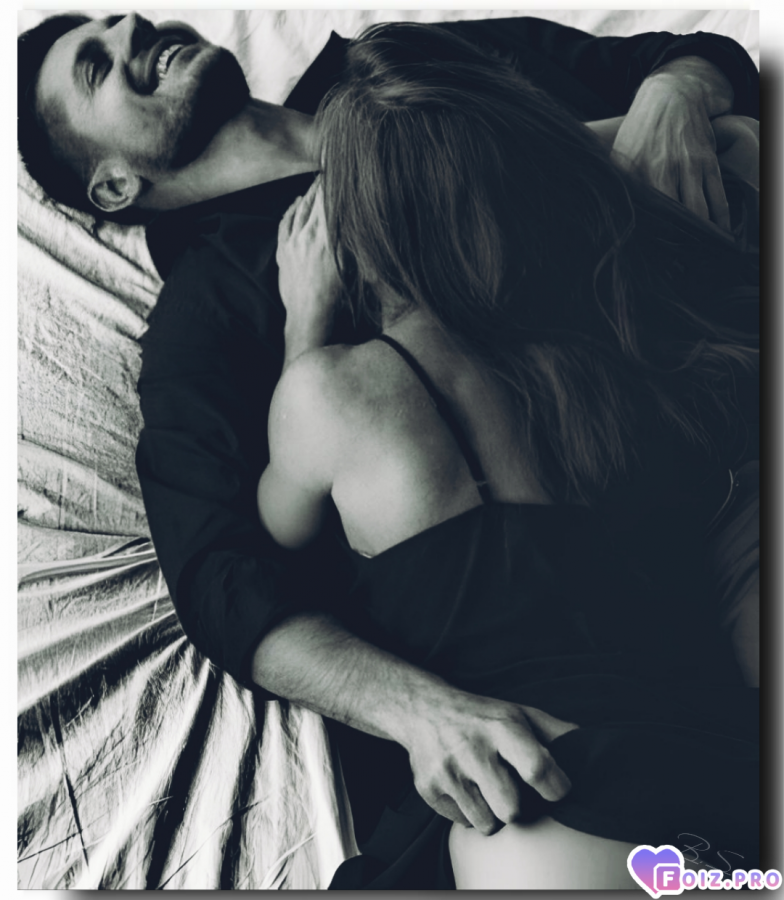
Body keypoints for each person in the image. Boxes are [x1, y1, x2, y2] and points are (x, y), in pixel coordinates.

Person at [17, 12, 760, 889]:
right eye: (96, 66)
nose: (134, 28)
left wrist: (676, 91)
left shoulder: (397, 66)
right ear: (112, 186)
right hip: (564, 653)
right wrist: (422, 714)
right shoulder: (208, 316)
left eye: (121, 17)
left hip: (708, 469)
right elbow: (225, 576)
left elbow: (697, 59)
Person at [258, 23, 759, 889]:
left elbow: (280, 532)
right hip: (720, 749)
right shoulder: (608, 342)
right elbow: (733, 145)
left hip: (541, 785)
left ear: (359, 235)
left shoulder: (332, 396)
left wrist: (305, 322)